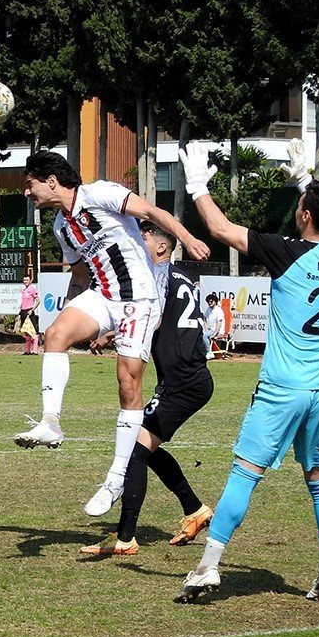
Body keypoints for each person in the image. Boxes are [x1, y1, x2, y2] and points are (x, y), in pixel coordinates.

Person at [175, 140, 319, 603]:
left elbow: (218, 227)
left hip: (283, 387)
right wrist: (305, 181)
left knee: (244, 474)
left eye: (301, 205)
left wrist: (196, 184)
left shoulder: (288, 252)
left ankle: (209, 566)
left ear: (307, 216)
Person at [12, 150, 210, 521]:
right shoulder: (60, 226)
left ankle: (116, 478)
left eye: (30, 184)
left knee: (127, 382)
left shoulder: (99, 193)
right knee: (55, 334)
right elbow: (81, 275)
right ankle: (51, 422)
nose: (27, 192)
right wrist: (75, 313)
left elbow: (155, 215)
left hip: (140, 298)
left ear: (51, 180)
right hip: (103, 295)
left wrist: (187, 237)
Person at [80, 221, 213, 555]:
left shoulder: (156, 276)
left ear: (162, 247)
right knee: (144, 449)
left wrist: (111, 334)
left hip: (182, 382)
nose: (137, 247)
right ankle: (194, 509)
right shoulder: (183, 277)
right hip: (190, 378)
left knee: (133, 452)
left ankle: (126, 538)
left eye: (143, 240)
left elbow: (149, 318)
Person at [17, 275, 39, 355]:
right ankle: (27, 351)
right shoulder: (24, 290)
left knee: (33, 331)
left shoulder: (32, 290)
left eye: (27, 280)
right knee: (26, 331)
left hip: (29, 312)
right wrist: (20, 312)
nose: (25, 281)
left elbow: (38, 300)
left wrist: (32, 309)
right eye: (24, 280)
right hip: (23, 311)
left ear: (30, 281)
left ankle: (35, 351)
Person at [203, 293, 227, 359]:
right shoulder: (208, 309)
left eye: (211, 301)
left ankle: (209, 352)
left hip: (218, 331)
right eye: (208, 302)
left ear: (215, 302)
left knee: (204, 336)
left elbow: (219, 324)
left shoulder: (219, 310)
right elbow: (204, 318)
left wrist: (215, 334)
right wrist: (206, 329)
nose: (209, 303)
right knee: (202, 334)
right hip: (211, 330)